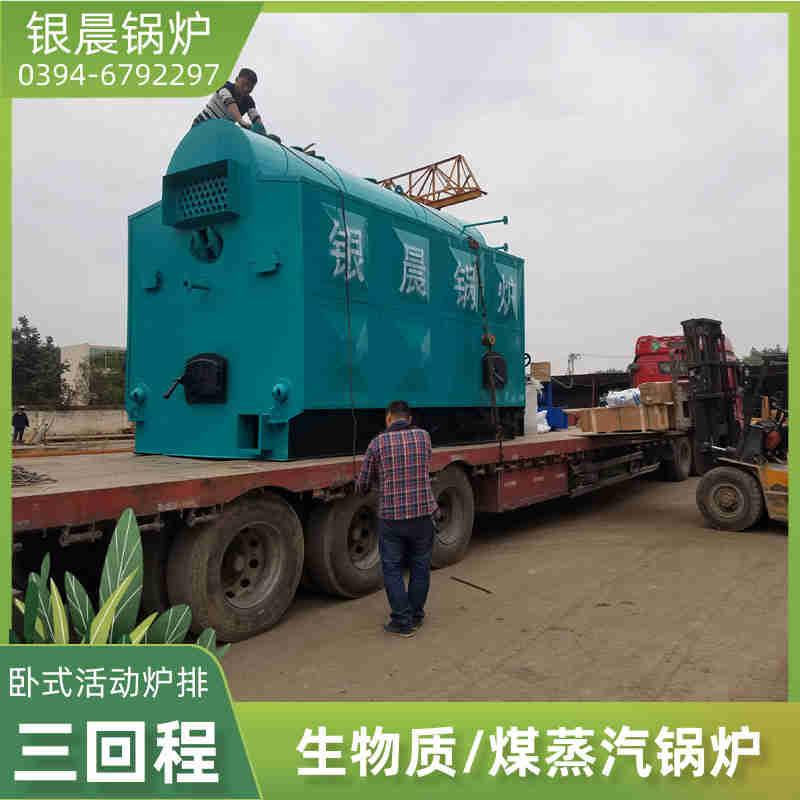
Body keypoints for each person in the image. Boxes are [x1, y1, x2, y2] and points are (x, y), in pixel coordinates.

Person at [356, 401, 438, 638]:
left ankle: (402, 621)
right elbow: (423, 466)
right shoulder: (424, 437)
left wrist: (362, 487)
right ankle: (416, 615)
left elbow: (364, 482)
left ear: (388, 418)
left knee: (392, 569)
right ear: (409, 419)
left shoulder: (377, 443)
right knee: (420, 566)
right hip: (422, 515)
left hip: (392, 518)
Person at [192, 68, 272, 137]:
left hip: (218, 132)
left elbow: (256, 118)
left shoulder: (249, 101)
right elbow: (229, 102)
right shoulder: (225, 87)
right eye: (243, 84)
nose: (246, 89)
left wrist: (264, 134)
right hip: (201, 124)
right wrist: (240, 120)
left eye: (250, 88)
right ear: (236, 79)